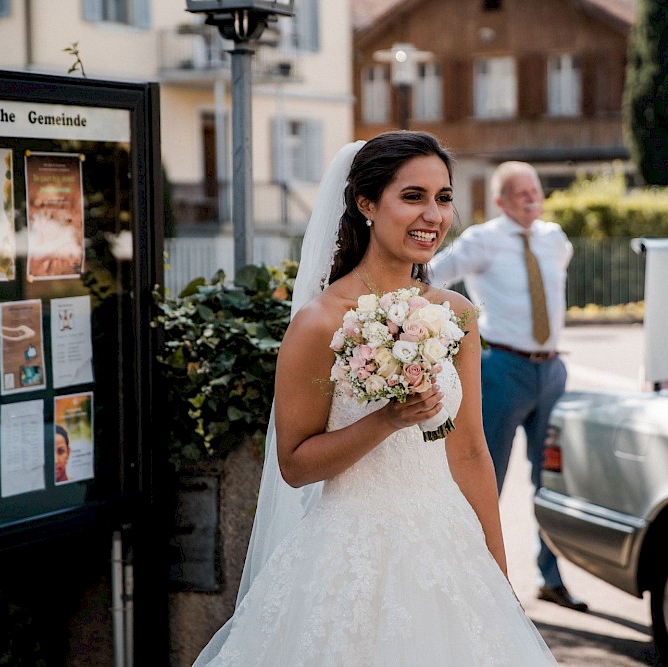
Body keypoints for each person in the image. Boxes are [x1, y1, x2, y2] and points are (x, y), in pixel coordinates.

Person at [192, 132, 556, 665]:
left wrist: (499, 579)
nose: (432, 214)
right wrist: (386, 420)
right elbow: (294, 464)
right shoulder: (319, 323)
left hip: (448, 548)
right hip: (345, 556)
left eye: (443, 197)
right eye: (413, 197)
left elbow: (472, 452)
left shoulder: (456, 315)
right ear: (365, 203)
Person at [428, 161, 588, 613]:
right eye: (518, 192)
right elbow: (432, 278)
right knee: (484, 477)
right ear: (500, 201)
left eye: (535, 190)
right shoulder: (482, 240)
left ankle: (551, 578)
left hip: (552, 371)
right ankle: (474, 584)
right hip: (500, 370)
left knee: (551, 480)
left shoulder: (555, 239)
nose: (530, 198)